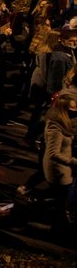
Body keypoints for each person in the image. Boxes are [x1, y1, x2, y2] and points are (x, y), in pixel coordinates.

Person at [42, 94, 77, 239]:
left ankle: (58, 229)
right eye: (73, 108)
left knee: (60, 202)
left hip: (63, 170)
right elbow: (53, 153)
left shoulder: (64, 123)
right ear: (64, 109)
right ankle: (56, 232)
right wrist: (72, 161)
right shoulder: (55, 127)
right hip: (58, 170)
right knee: (61, 202)